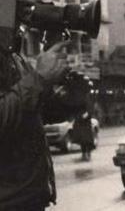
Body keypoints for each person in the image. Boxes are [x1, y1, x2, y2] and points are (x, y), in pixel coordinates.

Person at [0, 41, 72, 211]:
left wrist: (72, 101)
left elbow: (33, 112)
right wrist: (39, 78)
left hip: (27, 198)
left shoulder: (13, 56)